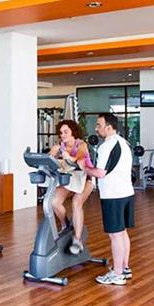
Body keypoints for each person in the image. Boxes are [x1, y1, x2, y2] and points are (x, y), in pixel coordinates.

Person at [85, 113, 134, 286]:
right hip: (126, 193)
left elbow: (100, 172)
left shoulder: (107, 146)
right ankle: (124, 268)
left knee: (115, 235)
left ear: (109, 127)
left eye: (99, 125)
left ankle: (117, 273)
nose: (96, 128)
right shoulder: (124, 142)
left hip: (113, 195)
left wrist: (83, 167)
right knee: (122, 233)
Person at [49, 120, 95, 255]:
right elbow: (48, 158)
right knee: (54, 202)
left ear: (73, 132)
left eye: (65, 132)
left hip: (86, 178)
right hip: (70, 178)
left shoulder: (81, 144)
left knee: (76, 203)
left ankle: (77, 239)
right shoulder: (59, 146)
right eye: (61, 132)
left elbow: (78, 157)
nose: (62, 135)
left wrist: (68, 156)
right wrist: (51, 156)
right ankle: (65, 225)